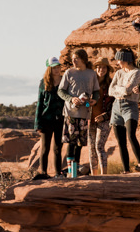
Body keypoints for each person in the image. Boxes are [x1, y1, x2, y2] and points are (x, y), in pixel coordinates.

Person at [58, 49, 99, 177]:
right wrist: (71, 99)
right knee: (71, 142)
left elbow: (96, 91)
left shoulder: (91, 74)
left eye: (76, 58)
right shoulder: (69, 72)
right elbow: (60, 91)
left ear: (83, 59)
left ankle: (75, 171)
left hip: (85, 111)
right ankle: (71, 173)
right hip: (70, 112)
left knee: (80, 143)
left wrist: (94, 100)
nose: (73, 61)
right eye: (73, 58)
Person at [106, 50, 140, 173]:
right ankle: (126, 170)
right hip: (116, 107)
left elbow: (128, 91)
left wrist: (120, 89)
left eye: (119, 60)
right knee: (121, 141)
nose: (118, 62)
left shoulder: (136, 72)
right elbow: (111, 90)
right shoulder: (118, 73)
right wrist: (123, 89)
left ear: (126, 59)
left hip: (130, 106)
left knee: (131, 135)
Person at [33, 59, 65, 179]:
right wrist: (38, 124)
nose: (57, 69)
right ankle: (43, 172)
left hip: (60, 119)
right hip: (46, 119)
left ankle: (58, 173)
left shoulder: (64, 81)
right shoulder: (44, 82)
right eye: (54, 67)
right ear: (49, 69)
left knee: (58, 147)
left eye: (58, 67)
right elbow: (40, 104)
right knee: (45, 147)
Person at [88, 57, 114, 176]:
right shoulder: (90, 84)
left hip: (105, 120)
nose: (101, 69)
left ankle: (104, 175)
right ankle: (94, 175)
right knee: (91, 148)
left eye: (104, 67)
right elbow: (86, 103)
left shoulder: (111, 85)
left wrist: (105, 116)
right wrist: (88, 104)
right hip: (90, 120)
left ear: (107, 69)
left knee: (99, 146)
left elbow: (115, 105)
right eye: (98, 67)